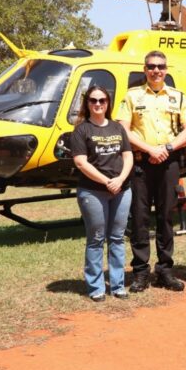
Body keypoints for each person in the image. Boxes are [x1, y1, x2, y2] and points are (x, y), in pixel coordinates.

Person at [116, 50, 186, 293]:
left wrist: (167, 147)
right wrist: (150, 149)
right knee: (139, 219)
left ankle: (165, 270)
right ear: (145, 69)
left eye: (160, 66)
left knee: (166, 217)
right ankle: (140, 272)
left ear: (166, 69)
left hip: (168, 163)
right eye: (151, 66)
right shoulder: (132, 96)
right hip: (141, 163)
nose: (156, 70)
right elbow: (123, 129)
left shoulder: (178, 97)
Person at [71, 85, 133, 301]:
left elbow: (128, 156)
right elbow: (80, 162)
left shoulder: (117, 128)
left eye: (102, 100)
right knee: (96, 238)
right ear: (87, 104)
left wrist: (121, 180)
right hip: (93, 191)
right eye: (93, 101)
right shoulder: (81, 130)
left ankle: (118, 286)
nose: (98, 104)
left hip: (121, 190)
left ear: (108, 103)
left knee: (117, 237)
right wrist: (107, 181)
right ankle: (96, 287)